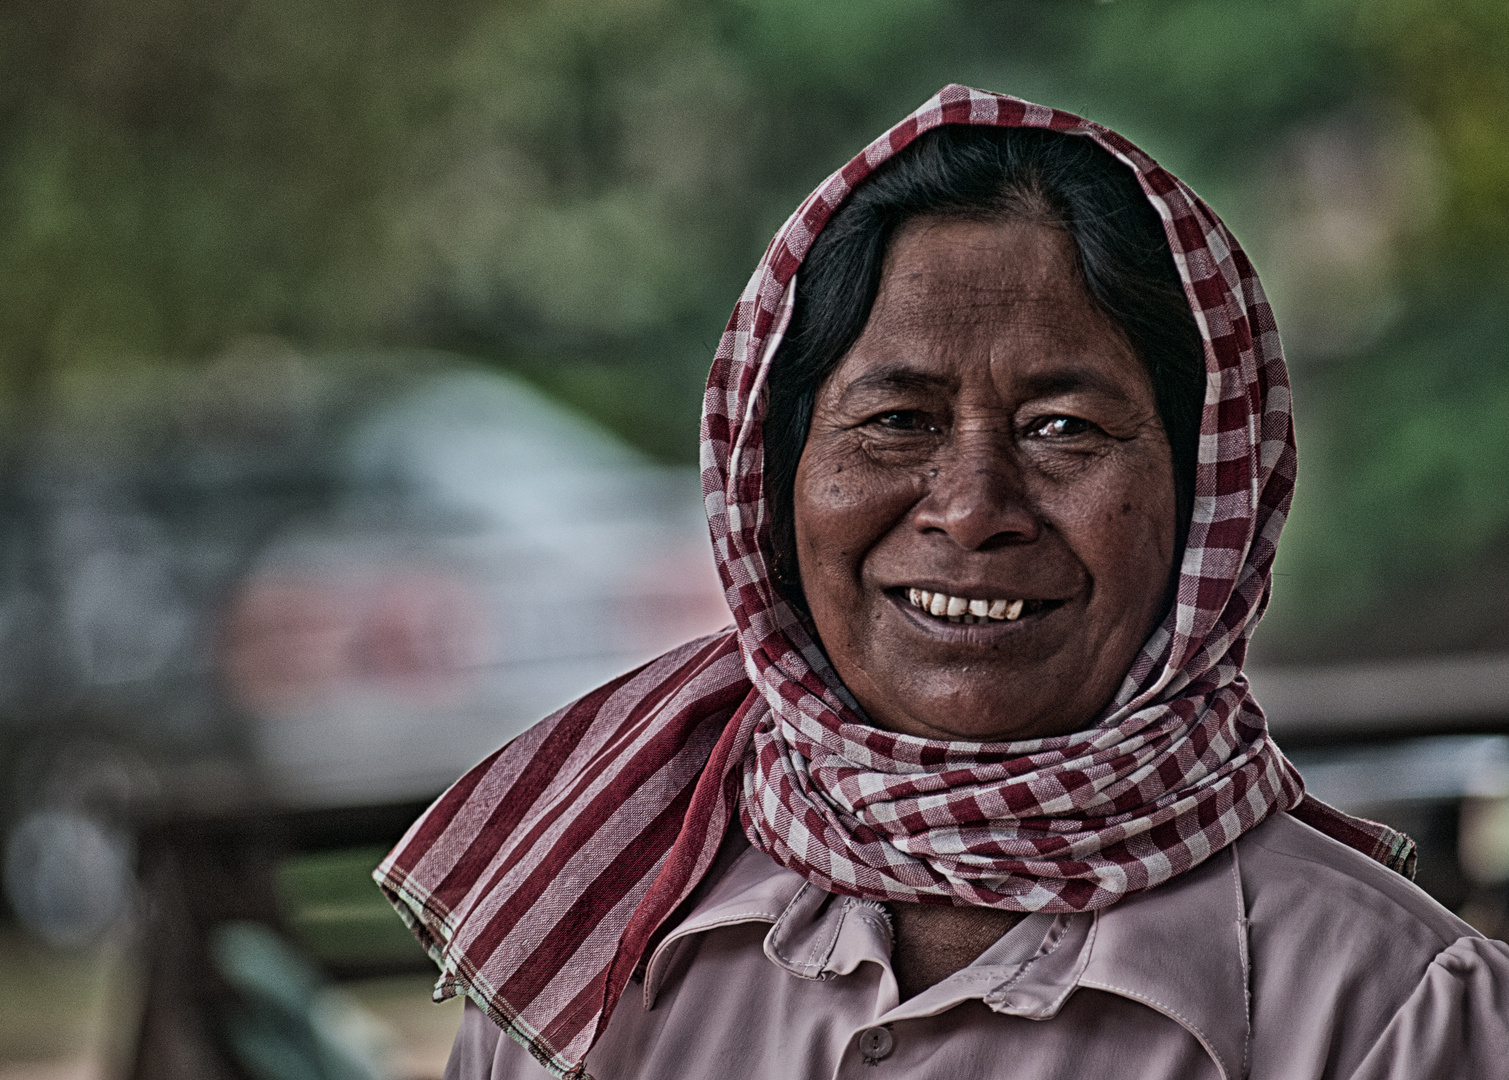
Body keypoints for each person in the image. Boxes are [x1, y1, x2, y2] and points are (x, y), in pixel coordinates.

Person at [376, 86, 1509, 1079]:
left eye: (1064, 428)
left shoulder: (1395, 1008)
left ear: (1211, 492)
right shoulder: (588, 937)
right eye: (896, 421)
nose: (971, 507)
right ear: (772, 482)